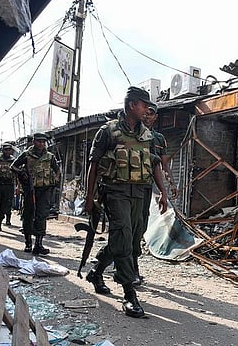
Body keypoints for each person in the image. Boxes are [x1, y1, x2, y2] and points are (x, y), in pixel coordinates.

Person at [84, 86, 168, 318]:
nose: (147, 110)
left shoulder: (148, 135)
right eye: (144, 106)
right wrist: (89, 197)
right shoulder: (108, 132)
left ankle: (97, 271)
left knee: (131, 239)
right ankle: (129, 292)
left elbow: (154, 164)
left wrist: (163, 192)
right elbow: (93, 165)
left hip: (140, 192)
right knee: (122, 234)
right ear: (132, 105)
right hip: (115, 190)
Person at [132, 101, 178, 286]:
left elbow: (162, 164)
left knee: (140, 226)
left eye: (151, 113)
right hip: (128, 185)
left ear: (155, 117)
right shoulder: (132, 132)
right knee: (127, 228)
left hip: (145, 187)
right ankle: (124, 267)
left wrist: (169, 186)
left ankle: (131, 267)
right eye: (145, 112)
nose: (147, 116)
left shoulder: (158, 139)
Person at [11, 133, 61, 254]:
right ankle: (28, 243)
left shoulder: (50, 157)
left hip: (45, 190)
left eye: (43, 142)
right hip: (30, 190)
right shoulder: (26, 155)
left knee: (42, 215)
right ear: (34, 141)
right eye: (39, 141)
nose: (41, 144)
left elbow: (58, 171)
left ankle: (38, 244)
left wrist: (55, 181)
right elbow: (13, 166)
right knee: (28, 214)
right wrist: (22, 174)